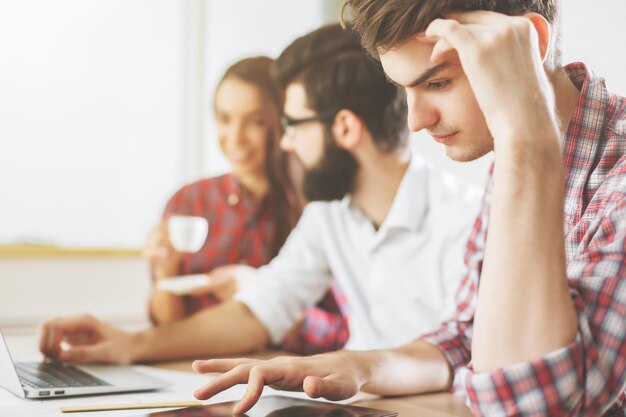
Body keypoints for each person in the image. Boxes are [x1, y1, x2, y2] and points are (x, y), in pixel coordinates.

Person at [188, 2, 626, 416]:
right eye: (406, 90)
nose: (415, 121)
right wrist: (360, 367)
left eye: (437, 83)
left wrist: (528, 136)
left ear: (528, 43)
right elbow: (464, 336)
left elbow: (527, 407)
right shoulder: (509, 158)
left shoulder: (535, 151)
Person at [38, 24, 481, 368]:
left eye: (291, 126)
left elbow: (469, 364)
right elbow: (257, 312)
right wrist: (128, 344)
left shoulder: (468, 221)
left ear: (344, 128)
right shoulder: (330, 215)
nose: (284, 144)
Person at [141, 56, 348, 355]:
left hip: (281, 379)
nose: (235, 138)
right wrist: (166, 273)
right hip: (188, 370)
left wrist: (265, 295)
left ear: (284, 123)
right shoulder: (188, 201)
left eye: (256, 122)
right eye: (225, 119)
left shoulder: (319, 208)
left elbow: (340, 333)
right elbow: (166, 326)